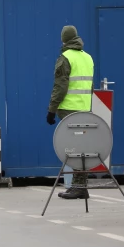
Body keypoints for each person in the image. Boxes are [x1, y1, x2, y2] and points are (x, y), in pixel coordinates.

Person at [47, 25, 95, 200]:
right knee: (82, 147)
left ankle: (78, 187)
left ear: (63, 39)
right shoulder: (88, 58)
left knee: (75, 148)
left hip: (69, 109)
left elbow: (60, 86)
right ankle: (80, 186)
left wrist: (52, 109)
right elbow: (89, 87)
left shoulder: (65, 58)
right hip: (85, 108)